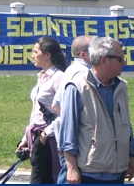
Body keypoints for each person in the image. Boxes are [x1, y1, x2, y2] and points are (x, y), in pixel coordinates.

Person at [59, 36, 134, 184]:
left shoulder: (121, 87)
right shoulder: (77, 87)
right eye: (120, 59)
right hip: (90, 174)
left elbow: (126, 124)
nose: (124, 62)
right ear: (103, 60)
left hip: (118, 173)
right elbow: (68, 133)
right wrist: (71, 167)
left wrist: (131, 155)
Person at [16, 37, 67, 184]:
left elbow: (65, 113)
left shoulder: (59, 77)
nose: (32, 55)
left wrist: (46, 134)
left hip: (49, 140)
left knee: (42, 180)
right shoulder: (41, 76)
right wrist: (26, 139)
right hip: (37, 138)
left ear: (47, 55)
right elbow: (36, 112)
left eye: (35, 52)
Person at [52, 35, 93, 184]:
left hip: (66, 141)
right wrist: (75, 126)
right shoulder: (83, 73)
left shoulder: (70, 69)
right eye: (94, 50)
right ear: (83, 54)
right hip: (77, 144)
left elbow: (56, 105)